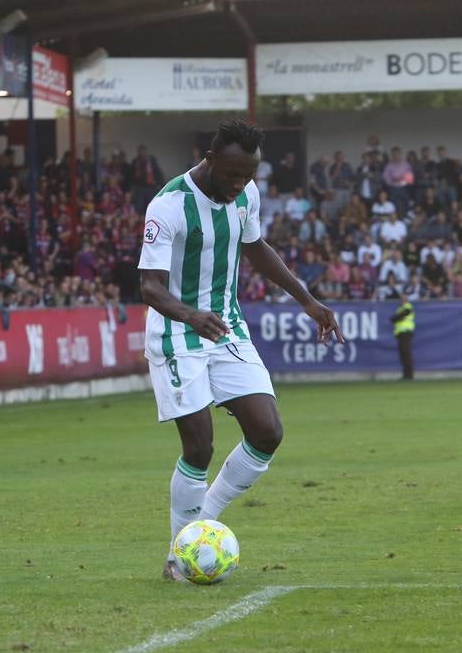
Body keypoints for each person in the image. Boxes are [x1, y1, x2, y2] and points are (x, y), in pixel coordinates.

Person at [140, 119, 344, 581]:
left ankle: (201, 526)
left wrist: (307, 300)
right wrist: (190, 315)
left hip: (227, 329)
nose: (239, 185)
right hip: (179, 332)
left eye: (247, 175)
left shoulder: (245, 194)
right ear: (209, 160)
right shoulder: (168, 205)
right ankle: (179, 556)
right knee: (199, 444)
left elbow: (255, 248)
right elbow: (150, 287)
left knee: (267, 431)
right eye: (231, 174)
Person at [391, 298, 415, 380]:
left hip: (406, 332)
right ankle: (406, 374)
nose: (401, 299)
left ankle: (409, 374)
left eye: (403, 298)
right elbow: (393, 318)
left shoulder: (407, 307)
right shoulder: (400, 308)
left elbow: (397, 317)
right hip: (401, 333)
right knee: (403, 354)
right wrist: (397, 317)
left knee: (406, 353)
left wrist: (397, 317)